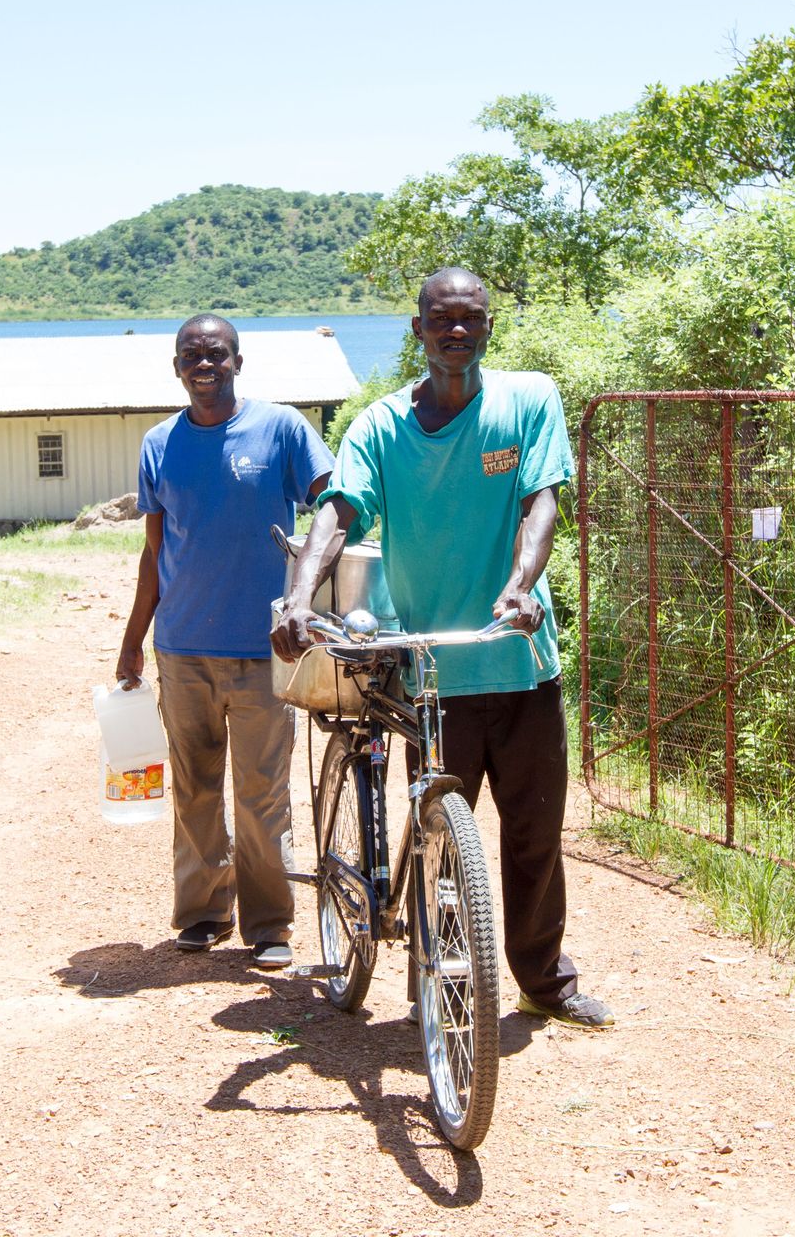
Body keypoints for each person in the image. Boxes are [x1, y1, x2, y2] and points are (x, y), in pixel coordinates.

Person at [273, 267, 613, 1029]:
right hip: (430, 675)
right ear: (419, 330)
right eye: (441, 319)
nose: (457, 330)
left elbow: (541, 501)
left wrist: (522, 586)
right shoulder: (380, 427)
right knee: (440, 840)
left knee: (535, 837)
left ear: (489, 327)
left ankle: (543, 982)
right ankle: (447, 977)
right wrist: (298, 599)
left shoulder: (528, 401)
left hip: (518, 660)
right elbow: (337, 514)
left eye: (472, 318)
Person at [118, 314, 334, 968]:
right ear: (176, 367)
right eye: (191, 355)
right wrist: (133, 640)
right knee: (194, 788)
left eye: (216, 354)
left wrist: (307, 601)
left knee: (263, 791)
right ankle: (205, 913)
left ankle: (269, 925)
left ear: (239, 361)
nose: (203, 365)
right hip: (182, 646)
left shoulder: (283, 429)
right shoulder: (159, 445)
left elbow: (332, 509)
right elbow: (155, 553)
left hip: (267, 648)